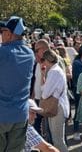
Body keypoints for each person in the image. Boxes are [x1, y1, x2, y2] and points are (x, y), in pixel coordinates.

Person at [0, 16, 35, 152]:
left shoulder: (3, 52)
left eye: (2, 32)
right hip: (20, 115)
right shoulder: (30, 54)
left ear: (9, 34)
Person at [41, 49, 70, 152]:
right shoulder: (57, 70)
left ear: (47, 60)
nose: (42, 62)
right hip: (59, 107)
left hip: (57, 108)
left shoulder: (54, 72)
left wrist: (43, 78)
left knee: (58, 140)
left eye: (42, 59)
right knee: (57, 140)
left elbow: (44, 94)